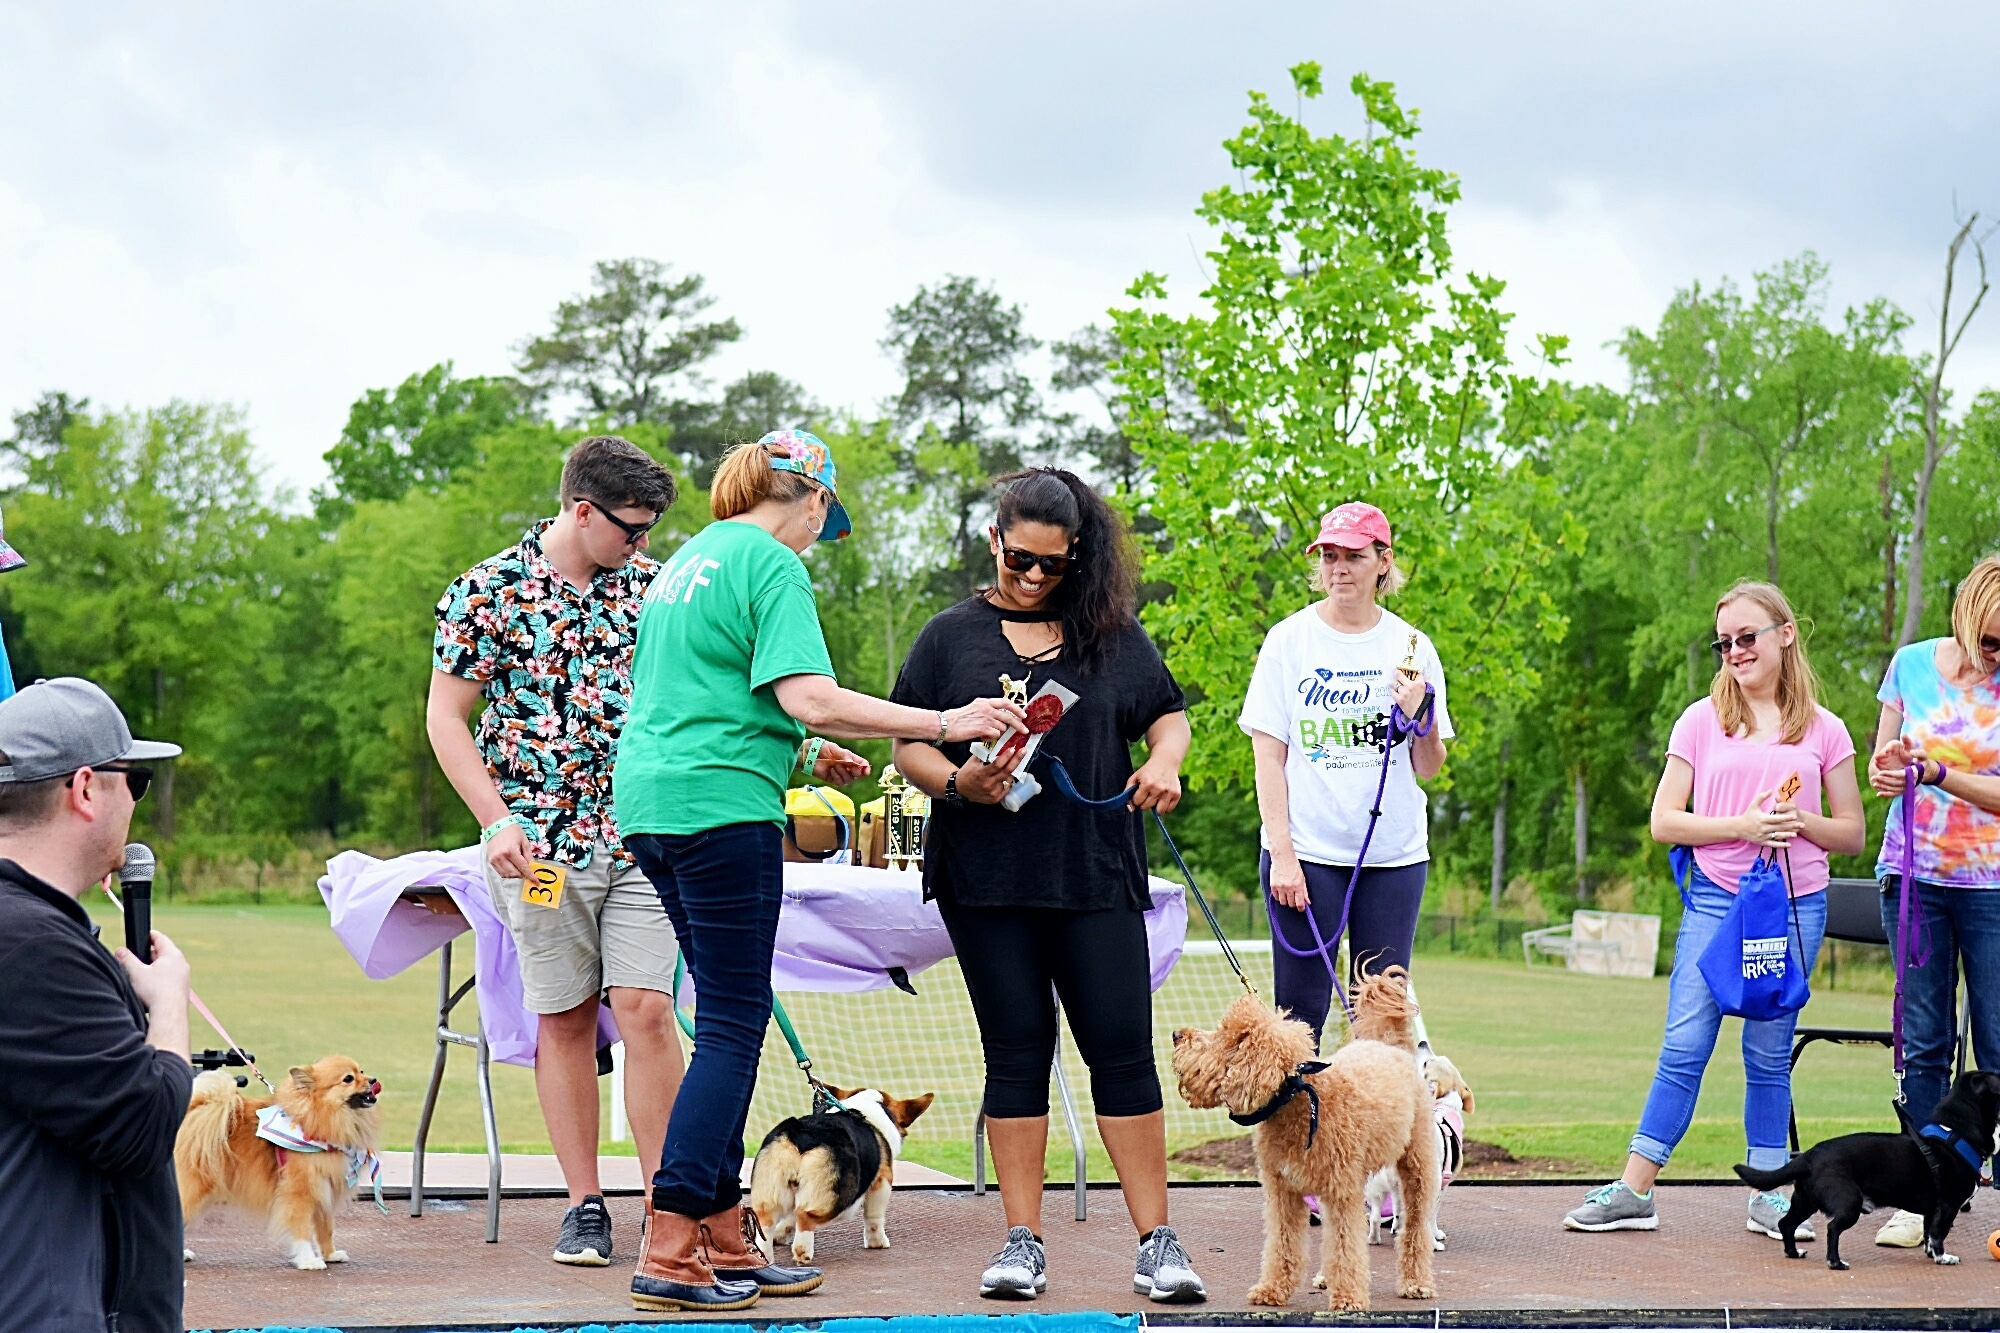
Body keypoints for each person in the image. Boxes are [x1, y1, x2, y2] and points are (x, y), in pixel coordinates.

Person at [616, 430, 1022, 1313]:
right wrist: (946, 721)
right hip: (722, 809)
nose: (815, 541)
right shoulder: (772, 563)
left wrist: (801, 750)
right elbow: (810, 692)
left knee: (734, 1010)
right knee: (732, 1023)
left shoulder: (688, 560)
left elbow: (707, 698)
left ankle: (724, 1233)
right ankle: (674, 1239)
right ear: (809, 497)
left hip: (653, 804)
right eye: (821, 523)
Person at [890, 467, 1206, 1304]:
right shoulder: (948, 636)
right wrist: (961, 785)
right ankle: (1021, 1242)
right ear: (994, 540)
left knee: (1123, 1055)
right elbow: (909, 747)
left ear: (1077, 556)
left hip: (1095, 876)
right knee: (1018, 1057)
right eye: (1019, 560)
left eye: (1052, 565)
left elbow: (1167, 714)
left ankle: (1157, 1242)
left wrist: (1165, 762)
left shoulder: (1109, 633)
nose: (1032, 578)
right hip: (987, 883)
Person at [428, 435, 685, 1266]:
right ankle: (585, 1203)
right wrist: (497, 818)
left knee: (647, 1008)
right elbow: (446, 719)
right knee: (567, 1016)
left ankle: (667, 1202)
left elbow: (702, 703)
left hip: (644, 835)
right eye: (632, 528)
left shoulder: (654, 591)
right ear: (583, 510)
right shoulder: (485, 591)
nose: (641, 544)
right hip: (538, 849)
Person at [1562, 580, 1864, 1238]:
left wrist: (1799, 819)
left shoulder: (1825, 730)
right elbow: (1664, 821)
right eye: (1724, 642)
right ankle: (1635, 1190)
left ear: (1786, 633)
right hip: (1714, 902)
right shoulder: (1702, 720)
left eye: (1747, 636)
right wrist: (1743, 826)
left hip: (1790, 907)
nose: (1735, 650)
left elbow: (1852, 833)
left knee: (1767, 1049)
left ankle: (1771, 1194)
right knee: (1684, 1044)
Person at [0, 677, 191, 1333]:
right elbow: (140, 1126)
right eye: (131, 779)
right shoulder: (28, 943)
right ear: (85, 789)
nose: (135, 801)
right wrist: (169, 1007)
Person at [1239, 501, 1451, 1048]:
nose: (1339, 569)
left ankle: (1376, 1133)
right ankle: (1300, 1133)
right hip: (1306, 856)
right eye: (1330, 556)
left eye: (1354, 556)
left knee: (1381, 1018)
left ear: (1383, 562)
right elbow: (1268, 756)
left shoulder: (1412, 647)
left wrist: (1423, 715)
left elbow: (1428, 765)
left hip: (1392, 858)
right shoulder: (1289, 641)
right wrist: (1282, 856)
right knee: (1300, 1018)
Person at [1864, 553, 2000, 1249]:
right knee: (1925, 1040)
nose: (1996, 655)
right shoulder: (1911, 663)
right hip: (1915, 877)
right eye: (1991, 640)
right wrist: (1888, 769)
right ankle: (1921, 1193)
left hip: (1992, 887)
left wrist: (1942, 771)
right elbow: (1883, 753)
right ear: (1967, 617)